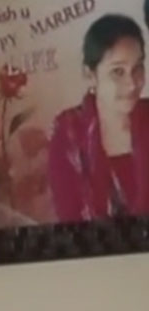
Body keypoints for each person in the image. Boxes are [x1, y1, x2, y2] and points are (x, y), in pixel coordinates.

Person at [47, 12, 149, 222]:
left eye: (138, 68)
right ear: (90, 75)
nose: (132, 84)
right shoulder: (68, 137)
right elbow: (71, 223)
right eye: (117, 72)